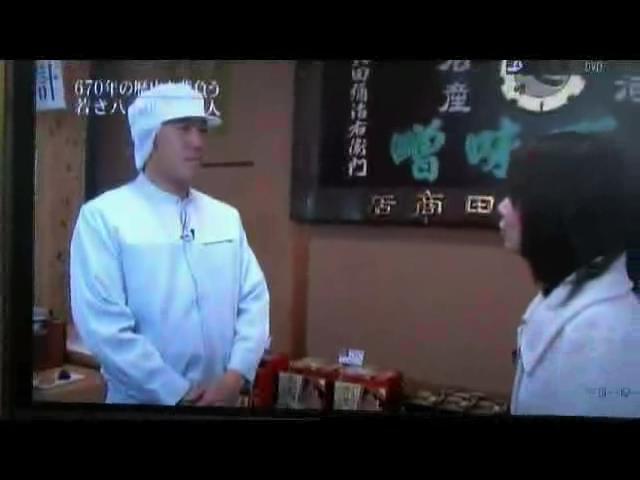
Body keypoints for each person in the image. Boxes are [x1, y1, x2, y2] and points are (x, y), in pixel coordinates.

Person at [70, 83, 270, 406]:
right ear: (150, 137)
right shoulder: (105, 218)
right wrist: (176, 392)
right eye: (183, 128)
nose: (198, 142)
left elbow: (254, 302)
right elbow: (104, 327)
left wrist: (235, 377)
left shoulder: (226, 218)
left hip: (223, 401)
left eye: (202, 130)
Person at [498, 132, 640, 418]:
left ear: (557, 211)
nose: (501, 207)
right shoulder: (563, 295)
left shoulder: (605, 336)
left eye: (515, 197)